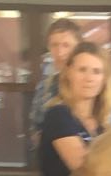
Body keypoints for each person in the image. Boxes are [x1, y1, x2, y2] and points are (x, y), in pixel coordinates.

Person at [38, 40, 111, 176]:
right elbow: (84, 169)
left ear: (104, 79)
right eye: (82, 70)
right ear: (68, 73)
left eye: (97, 71)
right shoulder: (58, 115)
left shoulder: (102, 124)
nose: (89, 78)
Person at [28, 17, 82, 164]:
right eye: (54, 45)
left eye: (66, 45)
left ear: (78, 48)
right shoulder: (44, 87)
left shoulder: (89, 83)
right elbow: (35, 130)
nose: (60, 52)